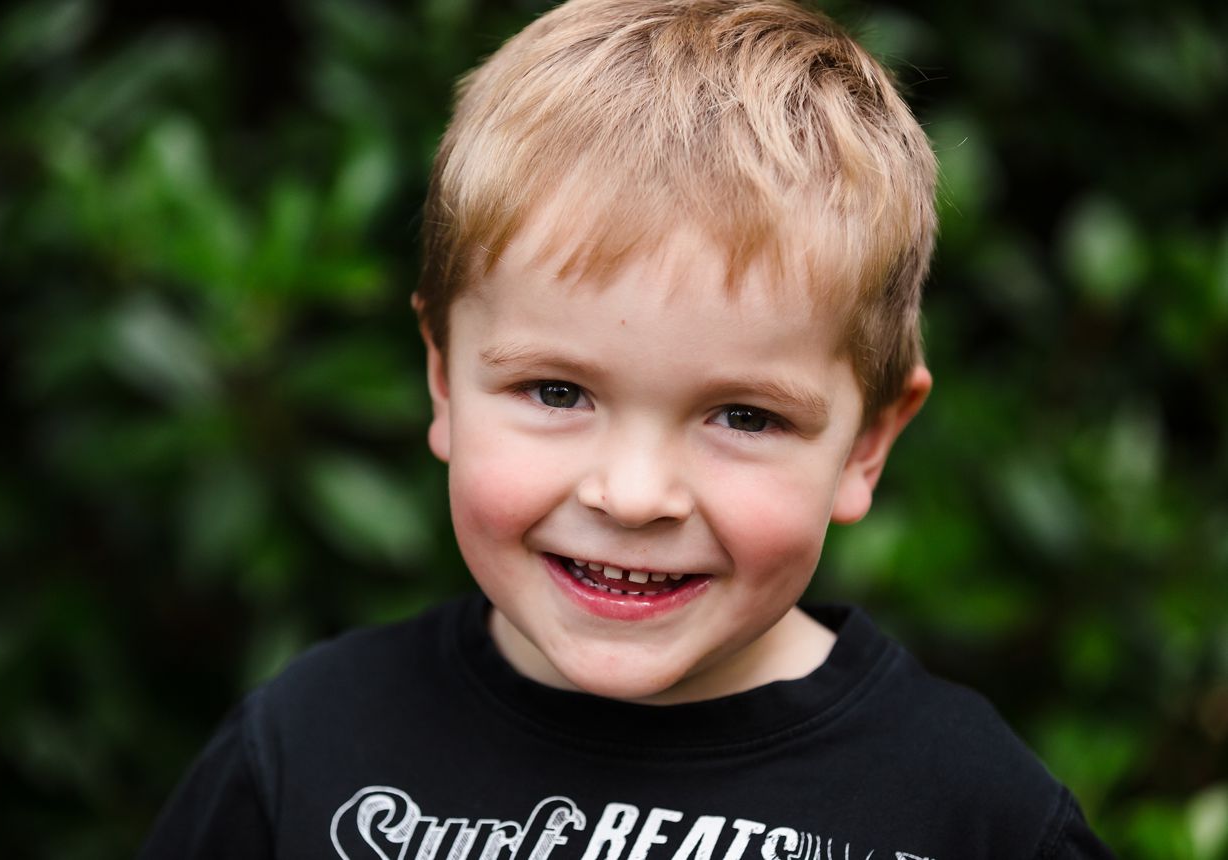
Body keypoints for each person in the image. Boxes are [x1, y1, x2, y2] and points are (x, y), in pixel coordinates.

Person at [141, 1, 1114, 857]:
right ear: (443, 379)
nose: (634, 493)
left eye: (744, 415)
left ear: (867, 442)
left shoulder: (972, 813)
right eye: (557, 392)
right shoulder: (309, 745)